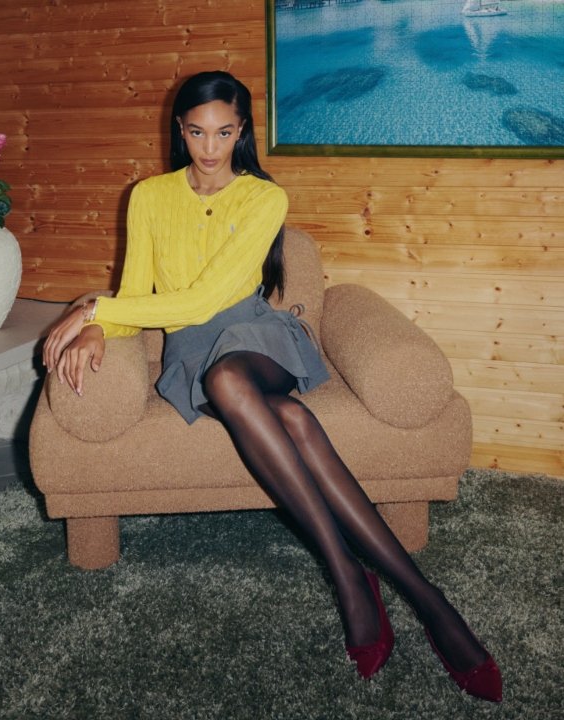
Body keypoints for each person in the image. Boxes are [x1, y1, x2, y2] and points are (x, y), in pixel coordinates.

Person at [42, 70, 502, 702]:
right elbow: (138, 292)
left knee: (231, 377)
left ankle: (351, 577)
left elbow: (206, 297)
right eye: (197, 132)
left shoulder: (264, 198)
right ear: (179, 130)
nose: (210, 148)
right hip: (191, 350)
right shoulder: (148, 196)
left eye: (224, 132)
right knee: (293, 420)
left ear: (242, 131)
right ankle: (423, 597)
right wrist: (100, 323)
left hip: (260, 338)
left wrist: (95, 311)